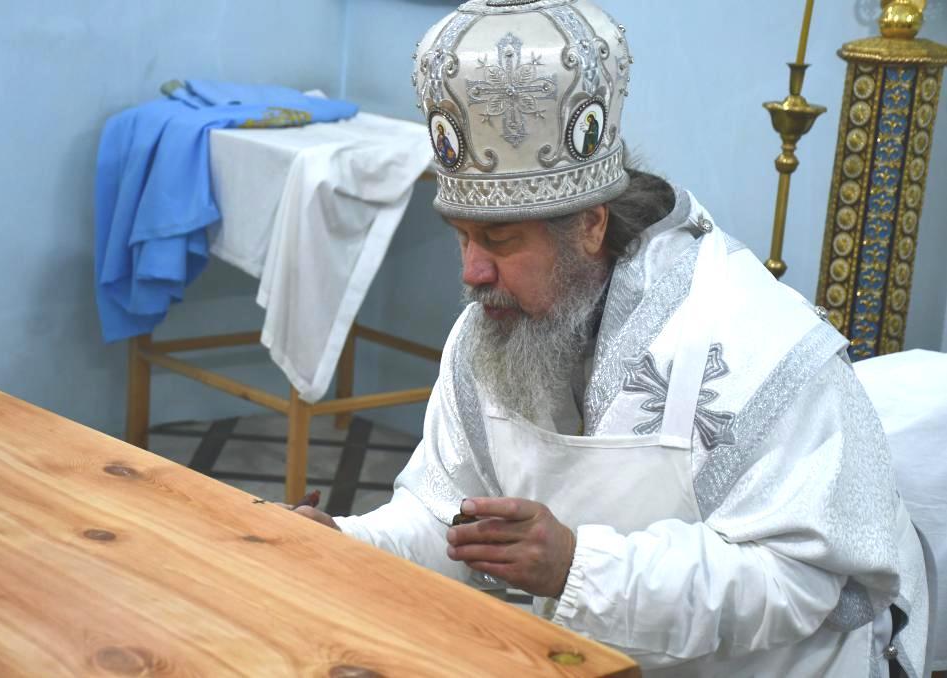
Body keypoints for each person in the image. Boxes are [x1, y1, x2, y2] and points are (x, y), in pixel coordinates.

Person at [292, 1, 929, 676]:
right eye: (462, 237)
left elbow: (798, 582)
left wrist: (576, 567)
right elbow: (446, 518)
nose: (472, 273)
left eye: (499, 240)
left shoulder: (754, 344)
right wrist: (346, 543)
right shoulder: (496, 327)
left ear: (589, 227)